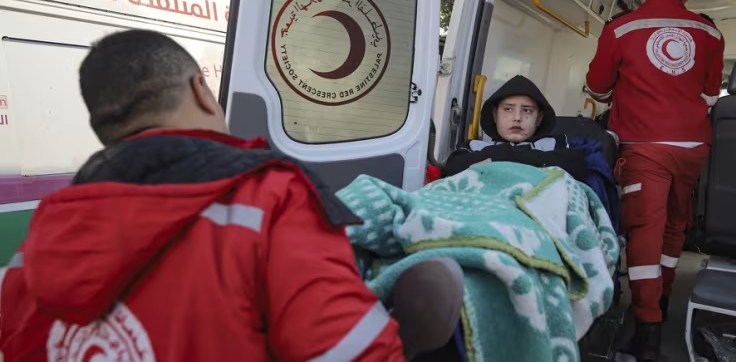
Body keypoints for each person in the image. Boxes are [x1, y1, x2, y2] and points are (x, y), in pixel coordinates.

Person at [0, 29, 462, 362]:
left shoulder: (44, 235)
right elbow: (347, 350)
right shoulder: (268, 198)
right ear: (201, 90)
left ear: (104, 128)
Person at [584, 0, 724, 361]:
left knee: (646, 230)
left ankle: (647, 329)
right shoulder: (710, 32)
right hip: (692, 145)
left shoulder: (622, 28)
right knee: (674, 224)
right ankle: (660, 298)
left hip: (644, 144)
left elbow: (596, 86)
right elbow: (711, 94)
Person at [442, 75, 589, 181]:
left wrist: (508, 155)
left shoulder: (554, 145)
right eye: (508, 109)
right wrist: (504, 153)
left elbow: (576, 167)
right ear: (495, 115)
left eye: (527, 111)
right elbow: (453, 167)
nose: (517, 117)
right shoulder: (475, 146)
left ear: (539, 118)